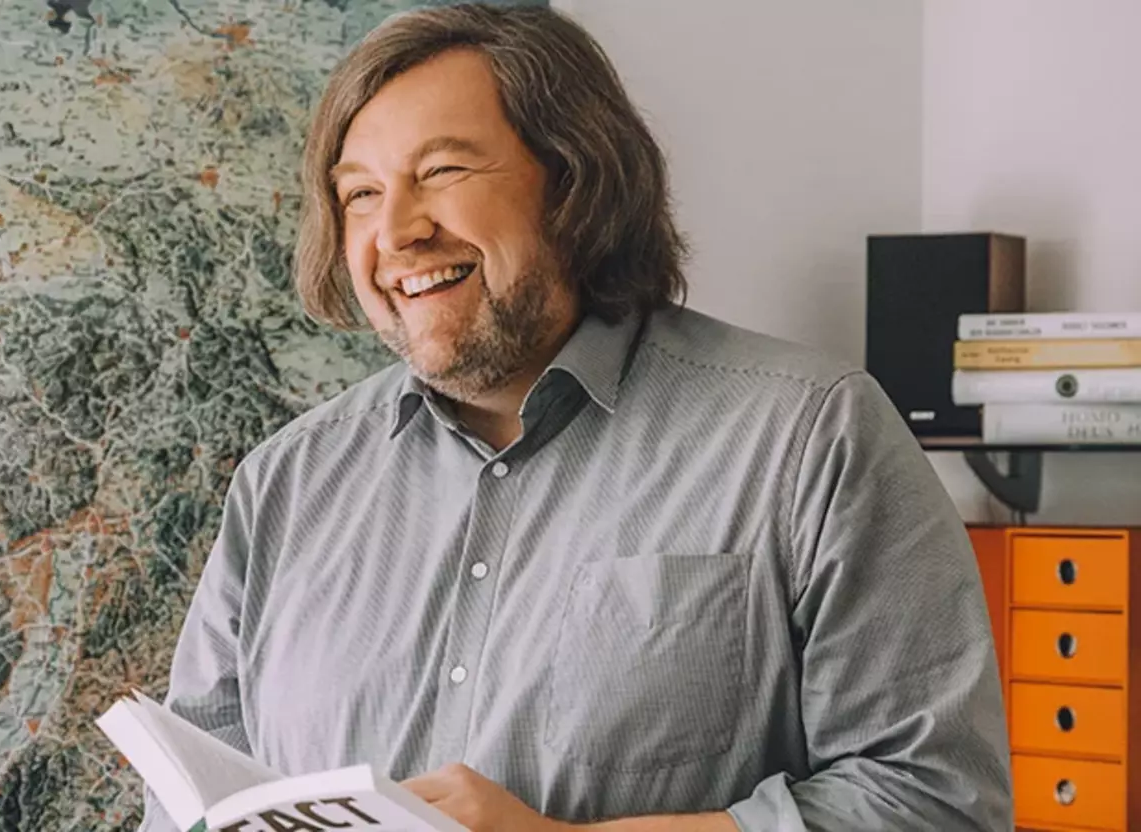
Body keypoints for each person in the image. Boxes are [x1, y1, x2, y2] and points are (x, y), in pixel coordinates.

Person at [140, 4, 1011, 831]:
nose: (395, 231)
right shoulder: (286, 483)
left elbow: (934, 802)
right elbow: (188, 807)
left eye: (441, 171)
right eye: (359, 194)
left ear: (576, 183)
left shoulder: (810, 435)